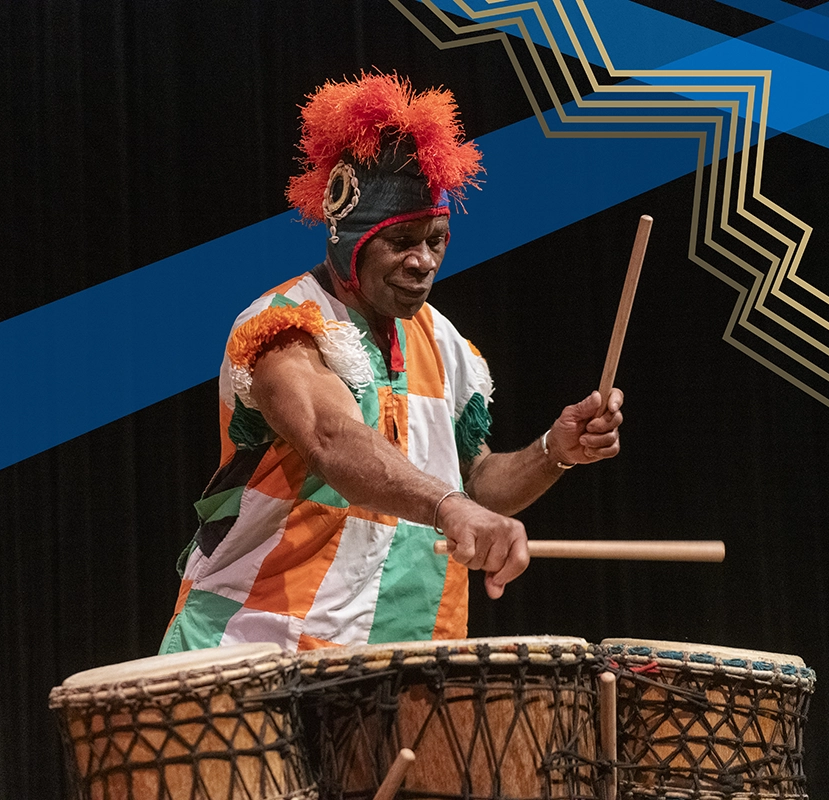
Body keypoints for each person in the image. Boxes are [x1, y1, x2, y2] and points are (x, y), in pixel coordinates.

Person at [160, 73, 623, 654]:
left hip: (399, 660)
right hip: (259, 646)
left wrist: (555, 451)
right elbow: (333, 441)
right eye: (401, 239)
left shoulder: (444, 342)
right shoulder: (284, 326)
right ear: (348, 239)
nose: (422, 261)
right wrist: (449, 507)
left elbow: (474, 484)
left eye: (437, 239)